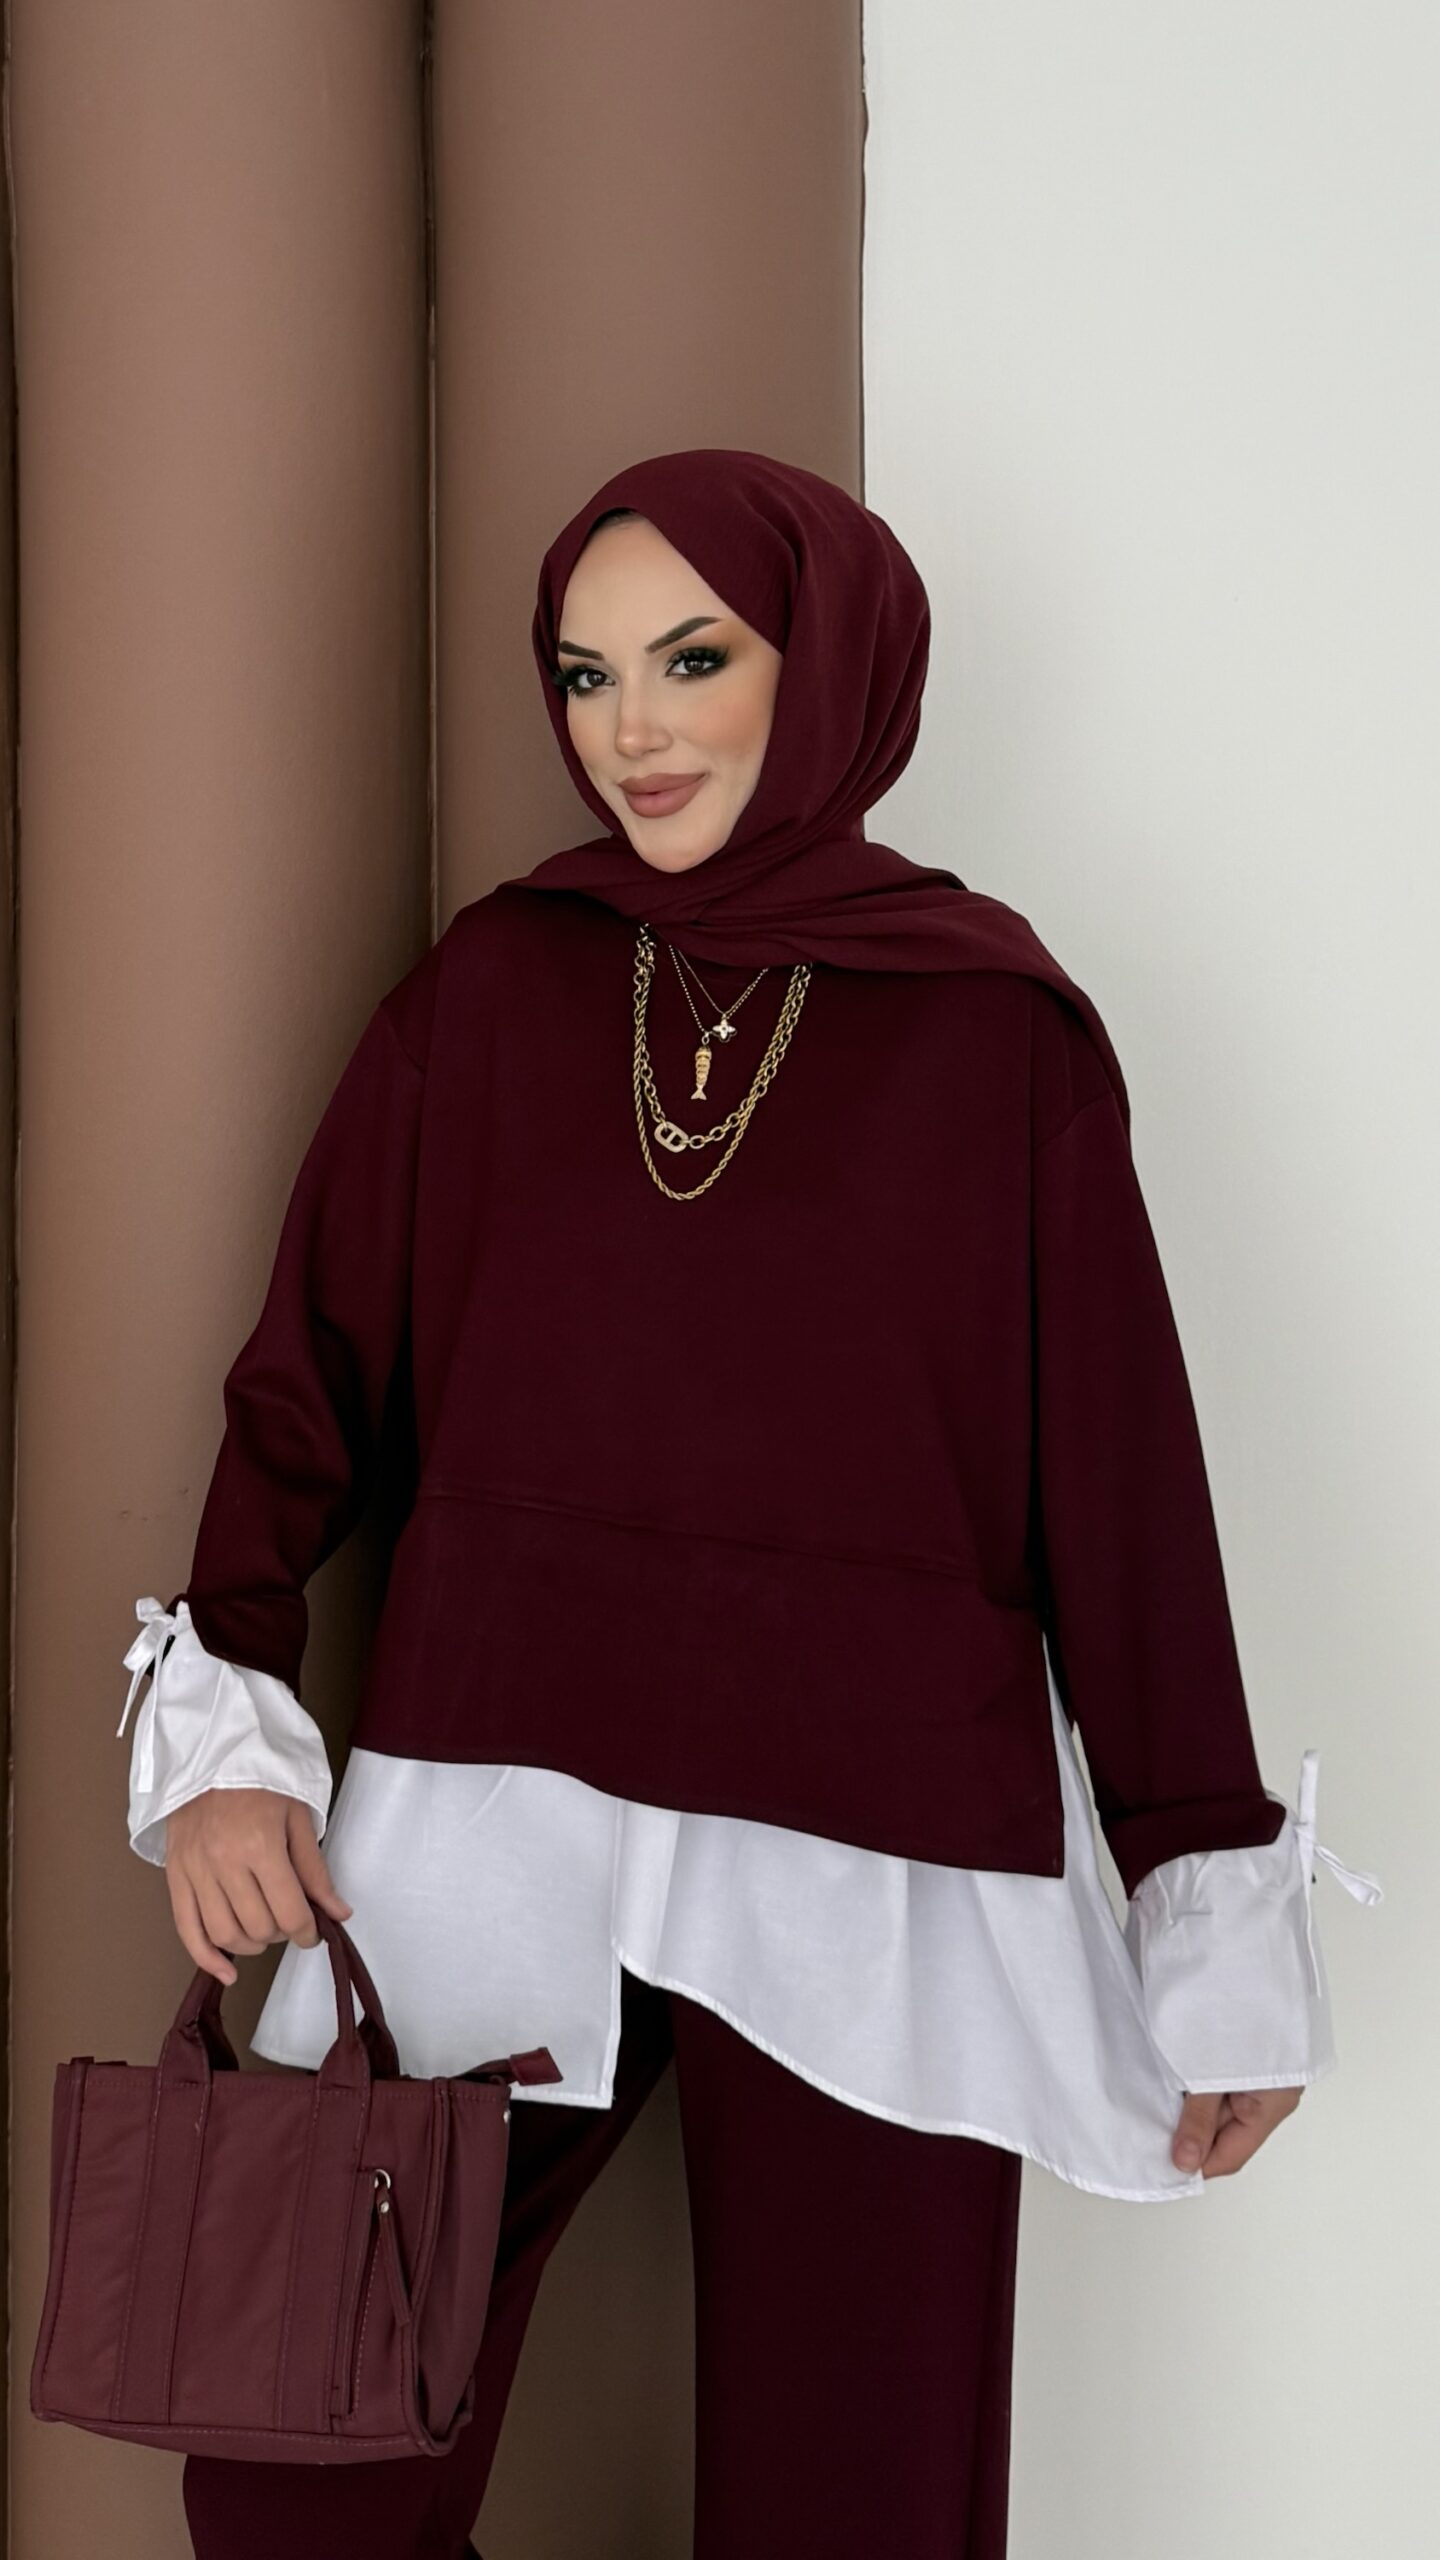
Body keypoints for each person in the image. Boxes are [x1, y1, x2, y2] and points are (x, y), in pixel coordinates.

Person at [117, 449, 1382, 2560]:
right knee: (290, 2480)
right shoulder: (494, 990)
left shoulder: (997, 1037)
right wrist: (230, 1719)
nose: (633, 726)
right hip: (499, 1810)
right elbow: (304, 1377)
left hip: (876, 1855)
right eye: (587, 671)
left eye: (693, 659)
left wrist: (1200, 1895)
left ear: (831, 667)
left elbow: (1124, 1495)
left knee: (856, 2510)